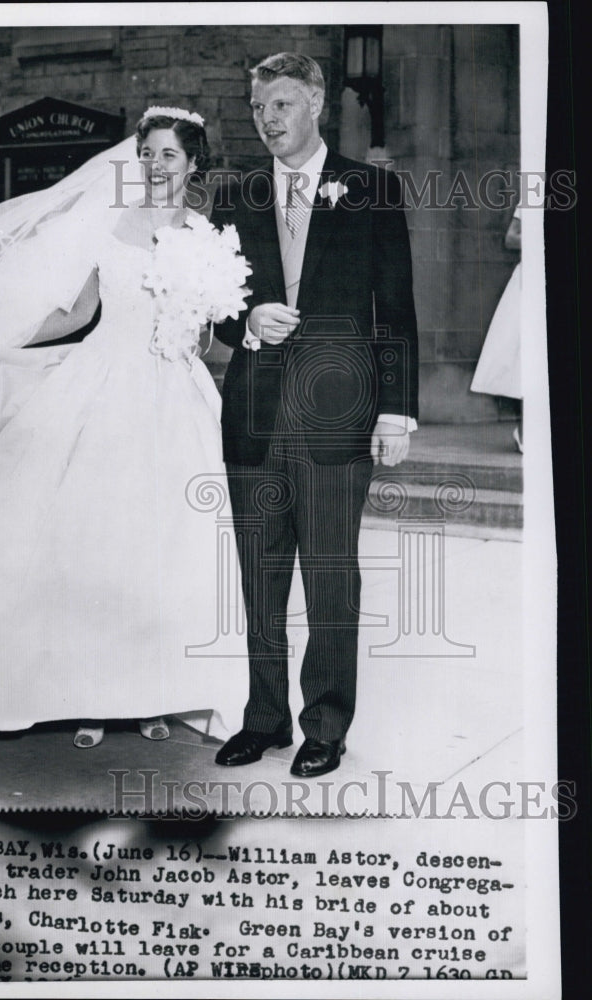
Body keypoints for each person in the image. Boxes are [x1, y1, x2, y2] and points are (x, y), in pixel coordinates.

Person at [0, 108, 248, 749]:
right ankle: (84, 695)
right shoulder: (110, 227)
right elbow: (77, 311)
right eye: (147, 154)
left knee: (163, 549)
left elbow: (206, 329)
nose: (155, 166)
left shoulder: (206, 235)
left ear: (194, 163)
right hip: (103, 382)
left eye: (169, 156)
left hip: (175, 397)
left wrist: (195, 335)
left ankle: (152, 693)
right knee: (86, 546)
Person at [212, 53, 419, 778]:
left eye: (282, 105)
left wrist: (395, 412)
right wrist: (244, 321)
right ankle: (262, 718)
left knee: (332, 575)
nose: (268, 121)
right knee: (258, 576)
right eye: (259, 108)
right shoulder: (233, 194)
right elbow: (208, 306)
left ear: (318, 104)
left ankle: (325, 723)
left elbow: (395, 312)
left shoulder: (372, 189)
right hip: (254, 415)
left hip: (339, 416)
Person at [470, 207, 522, 451]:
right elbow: (511, 237)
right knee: (521, 355)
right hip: (532, 277)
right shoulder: (535, 193)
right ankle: (525, 431)